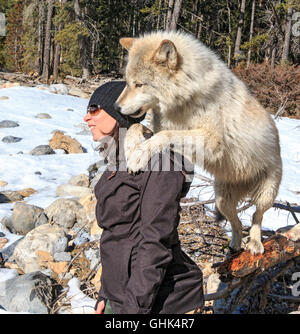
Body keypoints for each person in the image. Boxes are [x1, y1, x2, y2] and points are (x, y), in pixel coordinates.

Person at [84, 81, 204, 314]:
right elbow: (115, 239)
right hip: (119, 296)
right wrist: (105, 295)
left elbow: (154, 243)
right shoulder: (118, 160)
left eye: (94, 109)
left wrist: (132, 311)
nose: (87, 118)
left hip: (159, 302)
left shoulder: (159, 162)